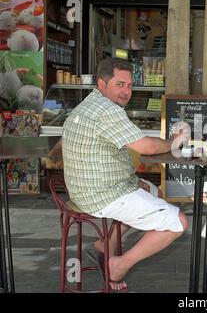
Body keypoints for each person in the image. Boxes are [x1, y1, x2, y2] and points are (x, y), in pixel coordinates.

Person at [62, 57, 189, 291]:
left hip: (88, 188)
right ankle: (120, 265)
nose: (126, 91)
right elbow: (147, 148)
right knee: (178, 223)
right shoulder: (107, 110)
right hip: (101, 195)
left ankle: (104, 244)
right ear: (102, 84)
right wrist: (174, 141)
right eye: (120, 84)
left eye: (129, 85)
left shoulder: (91, 103)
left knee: (154, 191)